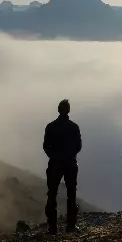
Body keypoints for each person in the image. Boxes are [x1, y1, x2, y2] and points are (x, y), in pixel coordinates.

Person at [43, 99, 82, 234]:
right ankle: (71, 225)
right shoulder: (74, 127)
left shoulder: (50, 126)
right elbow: (78, 146)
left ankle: (52, 227)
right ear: (68, 110)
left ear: (58, 110)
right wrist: (70, 155)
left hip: (55, 164)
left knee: (52, 194)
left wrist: (53, 156)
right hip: (70, 163)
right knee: (71, 194)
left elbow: (46, 146)